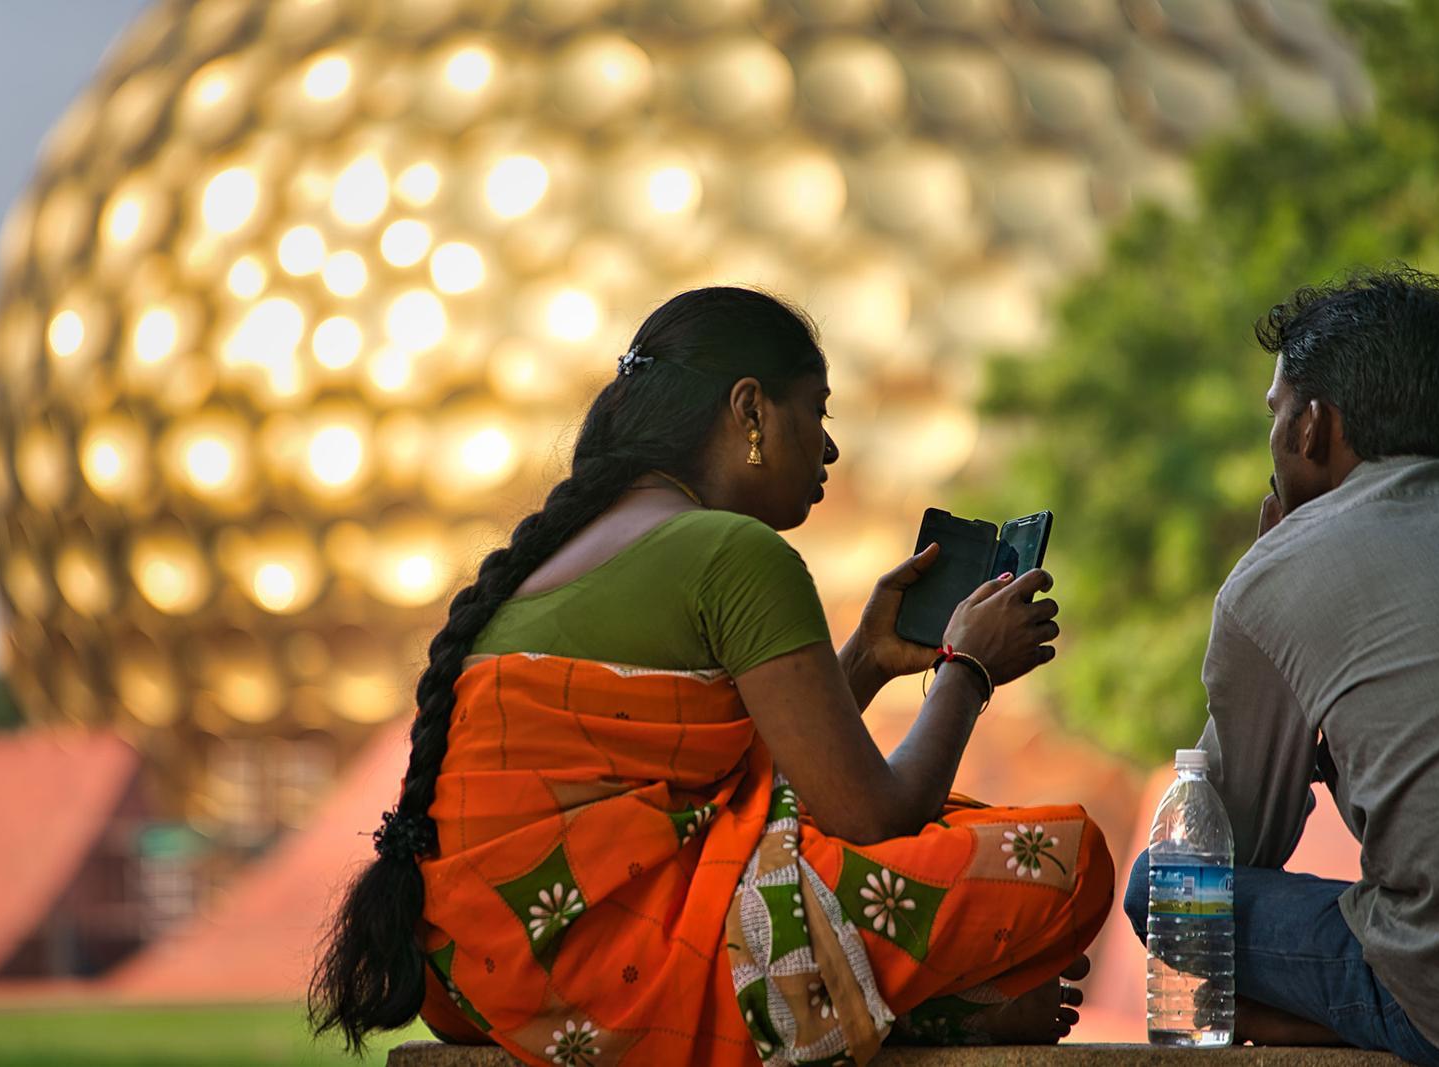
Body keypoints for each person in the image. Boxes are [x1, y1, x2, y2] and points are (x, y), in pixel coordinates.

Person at [312, 287, 1114, 1064]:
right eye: (818, 409)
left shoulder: (566, 547)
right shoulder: (735, 550)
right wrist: (967, 670)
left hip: (480, 968)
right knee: (1062, 858)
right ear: (751, 410)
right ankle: (942, 1008)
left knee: (952, 831)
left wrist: (866, 661)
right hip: (613, 969)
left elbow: (730, 791)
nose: (829, 447)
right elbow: (873, 818)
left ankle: (916, 1003)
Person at [1123, 267, 1439, 1065]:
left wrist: (1272, 584)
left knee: (1159, 889)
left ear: (1313, 428)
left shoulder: (1278, 572)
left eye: (1276, 414)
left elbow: (1231, 849)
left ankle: (1358, 1021)